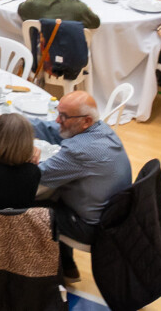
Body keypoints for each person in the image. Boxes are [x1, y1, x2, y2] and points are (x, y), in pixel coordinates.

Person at [31, 91, 133, 278]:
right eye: (58, 113)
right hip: (111, 217)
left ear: (86, 121)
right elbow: (56, 131)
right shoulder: (101, 129)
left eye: (63, 116)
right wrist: (18, 124)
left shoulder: (80, 151)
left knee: (24, 206)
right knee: (55, 195)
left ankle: (44, 278)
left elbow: (34, 177)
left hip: (92, 228)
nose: (57, 120)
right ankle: (66, 267)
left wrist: (28, 159)